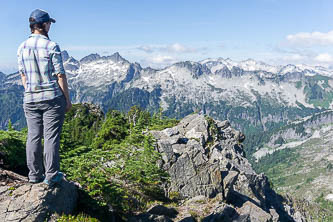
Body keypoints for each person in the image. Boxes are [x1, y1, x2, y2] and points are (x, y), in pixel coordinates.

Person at [17, 9, 72, 186]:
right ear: (42, 25)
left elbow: (23, 75)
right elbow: (60, 75)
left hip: (30, 98)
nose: (50, 26)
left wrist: (31, 91)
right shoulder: (51, 46)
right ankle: (52, 175)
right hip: (52, 98)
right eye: (48, 23)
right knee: (51, 137)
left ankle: (34, 175)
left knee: (33, 136)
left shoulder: (21, 47)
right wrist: (67, 100)